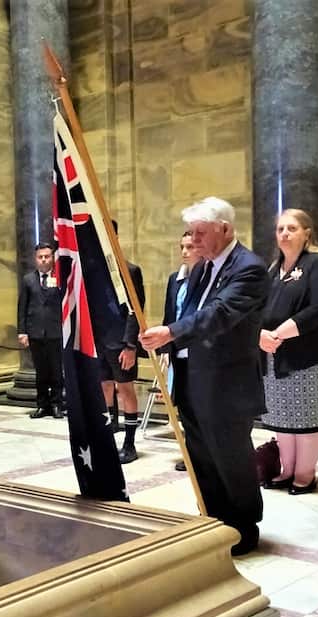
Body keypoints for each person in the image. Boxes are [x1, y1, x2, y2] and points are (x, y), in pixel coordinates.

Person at [140, 197, 267, 556]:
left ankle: (243, 527)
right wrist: (163, 339)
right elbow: (188, 311)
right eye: (191, 233)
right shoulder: (201, 269)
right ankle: (214, 519)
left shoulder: (249, 268)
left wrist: (171, 332)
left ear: (224, 229)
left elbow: (219, 314)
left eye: (200, 232)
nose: (192, 240)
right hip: (192, 378)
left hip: (227, 384)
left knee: (230, 457)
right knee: (201, 456)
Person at [258, 209, 318, 495]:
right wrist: (260, 334)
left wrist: (280, 333)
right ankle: (287, 469)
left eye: (291, 228)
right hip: (274, 354)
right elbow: (258, 308)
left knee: (306, 415)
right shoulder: (273, 269)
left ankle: (306, 473)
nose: (284, 234)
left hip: (310, 355)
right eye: (280, 229)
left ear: (307, 232)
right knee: (283, 415)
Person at [101, 221, 146, 463]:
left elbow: (135, 311)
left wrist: (130, 345)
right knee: (105, 387)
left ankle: (129, 443)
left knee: (125, 389)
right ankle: (109, 435)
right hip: (100, 341)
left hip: (121, 342)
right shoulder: (94, 273)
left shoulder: (130, 271)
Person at [160, 230, 200, 472]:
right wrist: (165, 348)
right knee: (184, 406)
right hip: (178, 352)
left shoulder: (208, 278)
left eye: (190, 247)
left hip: (199, 353)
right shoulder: (176, 279)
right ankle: (189, 451)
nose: (185, 252)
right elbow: (169, 315)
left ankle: (202, 454)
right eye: (182, 247)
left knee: (200, 406)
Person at [17, 242, 64, 418]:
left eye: (47, 256)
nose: (43, 260)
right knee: (41, 372)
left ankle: (57, 404)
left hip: (55, 332)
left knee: (57, 371)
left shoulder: (60, 278)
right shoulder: (28, 280)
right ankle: (42, 405)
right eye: (40, 257)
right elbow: (22, 307)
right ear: (35, 259)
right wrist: (22, 331)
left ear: (52, 258)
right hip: (35, 332)